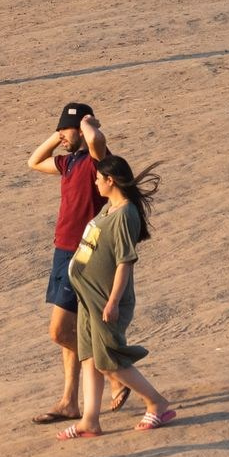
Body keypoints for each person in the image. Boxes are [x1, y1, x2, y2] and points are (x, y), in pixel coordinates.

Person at [56, 153, 178, 439]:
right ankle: (90, 420)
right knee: (89, 357)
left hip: (105, 298)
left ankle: (157, 403)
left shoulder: (125, 214)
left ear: (110, 180)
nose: (95, 183)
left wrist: (112, 302)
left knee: (108, 358)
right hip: (88, 297)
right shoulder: (109, 208)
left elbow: (125, 262)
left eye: (99, 178)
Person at [27, 104, 113, 425]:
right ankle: (69, 401)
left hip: (84, 252)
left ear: (81, 129)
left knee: (59, 331)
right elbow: (33, 162)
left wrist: (88, 124)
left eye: (66, 129)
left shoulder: (96, 161)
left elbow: (97, 141)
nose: (61, 135)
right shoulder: (70, 162)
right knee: (71, 331)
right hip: (62, 250)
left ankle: (114, 371)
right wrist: (59, 134)